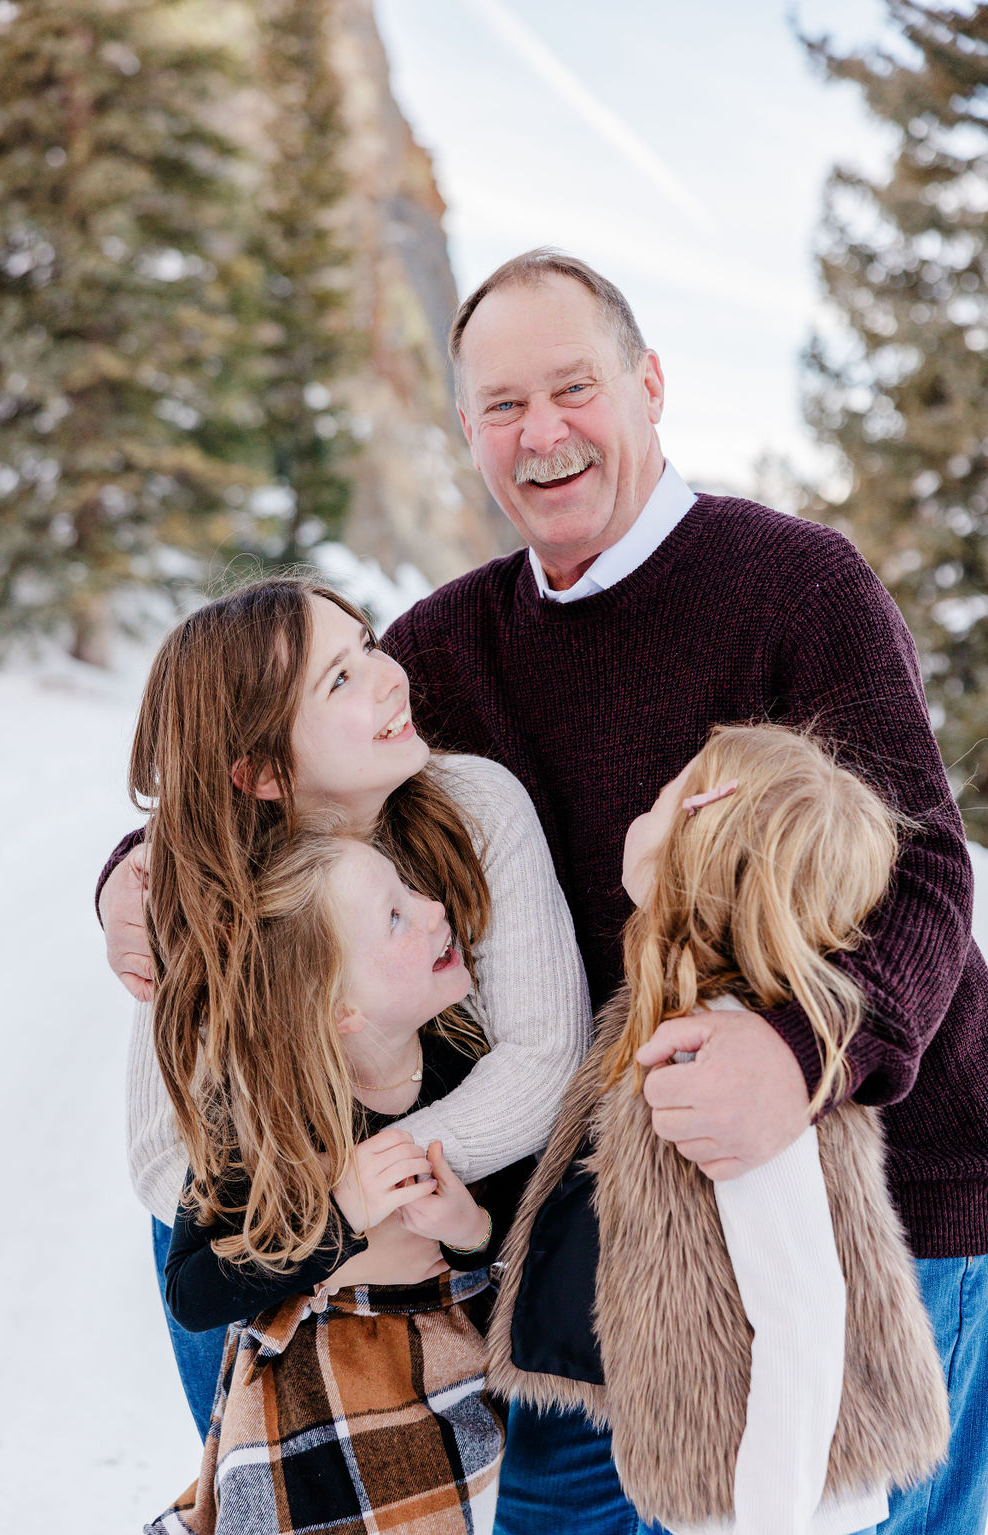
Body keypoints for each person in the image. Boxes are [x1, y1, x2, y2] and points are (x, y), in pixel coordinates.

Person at [374, 250, 988, 1535]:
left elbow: (925, 867)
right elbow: (290, 768)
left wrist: (804, 1047)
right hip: (626, 1228)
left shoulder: (797, 584)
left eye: (575, 387)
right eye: (501, 405)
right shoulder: (441, 645)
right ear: (469, 429)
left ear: (648, 386)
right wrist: (134, 877)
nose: (542, 434)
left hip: (893, 1190)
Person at [97, 575, 590, 1437]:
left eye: (366, 645)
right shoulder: (205, 885)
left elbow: (546, 1057)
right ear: (257, 772)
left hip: (456, 1213)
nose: (390, 675)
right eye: (340, 680)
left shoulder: (476, 806)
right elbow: (159, 1150)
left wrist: (389, 1187)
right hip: (268, 1246)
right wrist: (325, 1218)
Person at [487, 724, 949, 1535]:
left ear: (696, 817)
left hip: (776, 1500)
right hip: (738, 1481)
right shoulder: (679, 1016)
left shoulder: (729, 1067)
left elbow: (804, 1316)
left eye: (669, 789)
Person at [147, 826, 532, 1535]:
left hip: (450, 1406)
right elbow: (191, 1290)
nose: (432, 908)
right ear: (339, 1010)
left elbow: (520, 1238)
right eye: (395, 916)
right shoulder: (260, 1112)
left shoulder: (468, 1067)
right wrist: (339, 1218)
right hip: (310, 1425)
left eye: (410, 889)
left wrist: (469, 1229)